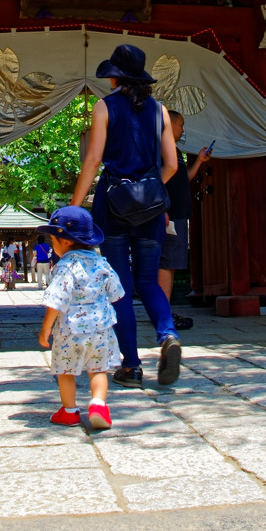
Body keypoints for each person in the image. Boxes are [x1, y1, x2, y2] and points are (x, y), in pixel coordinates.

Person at [71, 43, 180, 388]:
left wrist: (75, 207)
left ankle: (131, 367)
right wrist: (145, 191)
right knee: (149, 280)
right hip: (149, 210)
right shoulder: (160, 111)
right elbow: (173, 165)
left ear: (115, 76)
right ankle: (168, 335)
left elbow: (92, 161)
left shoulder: (104, 107)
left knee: (119, 288)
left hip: (113, 206)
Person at [38, 206, 124, 429]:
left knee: (65, 371)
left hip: (71, 330)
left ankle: (69, 411)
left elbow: (56, 300)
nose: (51, 244)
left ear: (64, 241)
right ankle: (98, 405)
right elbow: (117, 293)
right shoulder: (102, 263)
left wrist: (46, 329)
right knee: (98, 369)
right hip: (101, 329)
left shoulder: (66, 266)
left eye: (52, 240)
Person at [159, 111, 212, 330]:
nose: (183, 130)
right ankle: (163, 313)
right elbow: (155, 180)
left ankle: (164, 310)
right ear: (170, 124)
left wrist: (199, 161)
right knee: (165, 263)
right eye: (181, 125)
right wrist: (161, 207)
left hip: (178, 214)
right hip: (167, 215)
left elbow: (182, 180)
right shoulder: (159, 150)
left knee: (170, 264)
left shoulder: (176, 152)